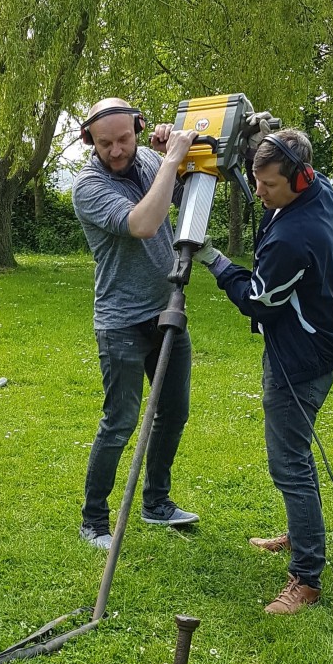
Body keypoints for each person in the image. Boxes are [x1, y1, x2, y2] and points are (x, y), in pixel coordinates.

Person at [193, 128, 333, 614]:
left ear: (299, 178)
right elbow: (265, 154)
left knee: (289, 463)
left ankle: (306, 578)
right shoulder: (319, 189)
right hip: (320, 337)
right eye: (255, 179)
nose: (257, 192)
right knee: (295, 457)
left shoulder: (293, 238)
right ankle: (301, 535)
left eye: (268, 185)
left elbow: (258, 302)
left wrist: (214, 260)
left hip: (301, 358)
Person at [71, 97, 200, 550]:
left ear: (139, 129)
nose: (117, 150)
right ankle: (93, 520)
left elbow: (183, 197)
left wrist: (178, 161)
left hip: (167, 312)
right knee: (120, 422)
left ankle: (156, 503)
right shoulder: (88, 186)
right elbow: (143, 223)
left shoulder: (148, 159)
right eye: (104, 143)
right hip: (121, 322)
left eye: (124, 139)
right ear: (89, 141)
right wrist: (172, 161)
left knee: (174, 412)